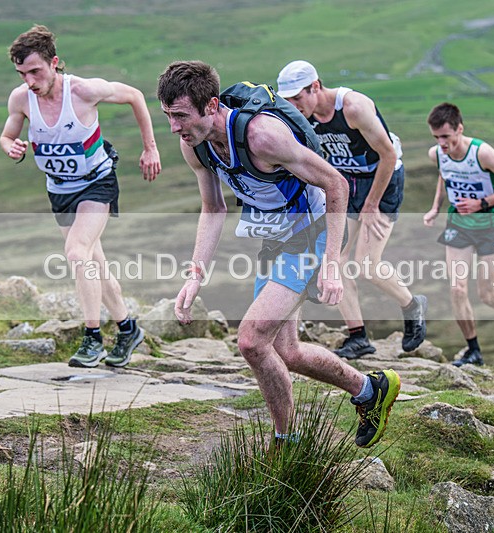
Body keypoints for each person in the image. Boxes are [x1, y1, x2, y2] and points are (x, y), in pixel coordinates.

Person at [156, 60, 400, 448]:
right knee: (287, 351)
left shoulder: (262, 137)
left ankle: (287, 442)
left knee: (252, 340)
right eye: (168, 116)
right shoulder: (196, 148)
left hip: (312, 234)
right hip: (275, 239)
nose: (174, 127)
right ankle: (371, 390)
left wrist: (332, 263)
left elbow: (336, 184)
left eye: (181, 116)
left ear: (212, 105)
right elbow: (213, 208)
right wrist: (195, 274)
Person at [0, 25, 161, 368]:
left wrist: (150, 149)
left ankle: (91, 339)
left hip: (96, 183)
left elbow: (134, 95)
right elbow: (7, 134)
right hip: (59, 189)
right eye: (22, 73)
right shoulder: (21, 99)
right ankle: (128, 329)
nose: (29, 81)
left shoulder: (84, 91)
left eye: (35, 71)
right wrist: (11, 146)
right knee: (93, 263)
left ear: (54, 63)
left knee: (76, 253)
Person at [276, 60, 427, 360]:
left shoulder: (353, 108)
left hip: (382, 178)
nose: (293, 105)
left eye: (297, 98)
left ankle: (412, 305)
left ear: (315, 86)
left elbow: (388, 154)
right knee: (336, 258)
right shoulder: (302, 118)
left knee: (368, 263)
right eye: (287, 100)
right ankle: (358, 336)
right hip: (347, 182)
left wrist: (371, 205)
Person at [424, 102, 494, 367]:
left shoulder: (482, 153)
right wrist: (436, 207)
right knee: (457, 288)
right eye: (436, 137)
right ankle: (473, 350)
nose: (441, 143)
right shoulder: (436, 153)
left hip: (489, 224)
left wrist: (482, 203)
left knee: (487, 293)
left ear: (460, 128)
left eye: (446, 136)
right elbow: (443, 176)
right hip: (458, 225)